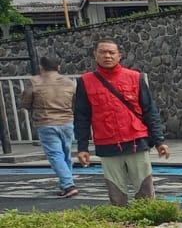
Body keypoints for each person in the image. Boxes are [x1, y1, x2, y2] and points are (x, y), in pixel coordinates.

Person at [73, 39, 169, 205]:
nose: (107, 56)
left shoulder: (135, 77)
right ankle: (122, 225)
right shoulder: (85, 82)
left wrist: (159, 141)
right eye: (103, 52)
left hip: (136, 142)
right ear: (95, 55)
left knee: (145, 191)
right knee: (116, 194)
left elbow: (149, 111)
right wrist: (82, 147)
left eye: (111, 52)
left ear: (119, 56)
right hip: (107, 144)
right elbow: (81, 116)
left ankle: (147, 224)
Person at [20, 55, 78, 198]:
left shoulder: (34, 81)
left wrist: (29, 108)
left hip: (46, 122)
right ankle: (66, 183)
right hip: (67, 121)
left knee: (55, 154)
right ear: (59, 67)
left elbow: (26, 102)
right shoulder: (69, 82)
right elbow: (75, 103)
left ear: (41, 67)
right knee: (66, 154)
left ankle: (68, 184)